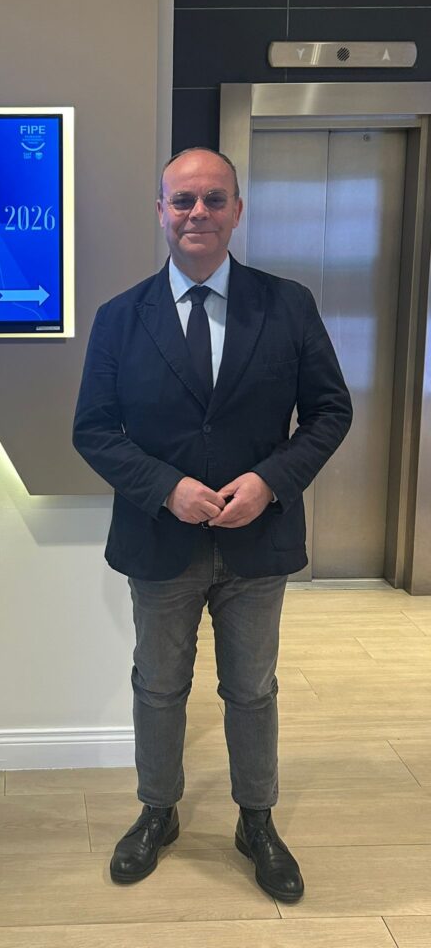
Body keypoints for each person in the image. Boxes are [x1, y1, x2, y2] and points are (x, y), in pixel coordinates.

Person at [72, 148, 352, 902]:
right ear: (160, 211)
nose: (198, 212)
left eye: (214, 199)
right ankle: (156, 811)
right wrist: (166, 488)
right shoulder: (120, 317)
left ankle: (256, 820)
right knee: (159, 686)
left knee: (252, 689)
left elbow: (330, 411)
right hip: (159, 541)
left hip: (257, 542)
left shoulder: (287, 305)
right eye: (183, 200)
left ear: (237, 210)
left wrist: (271, 480)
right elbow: (93, 430)